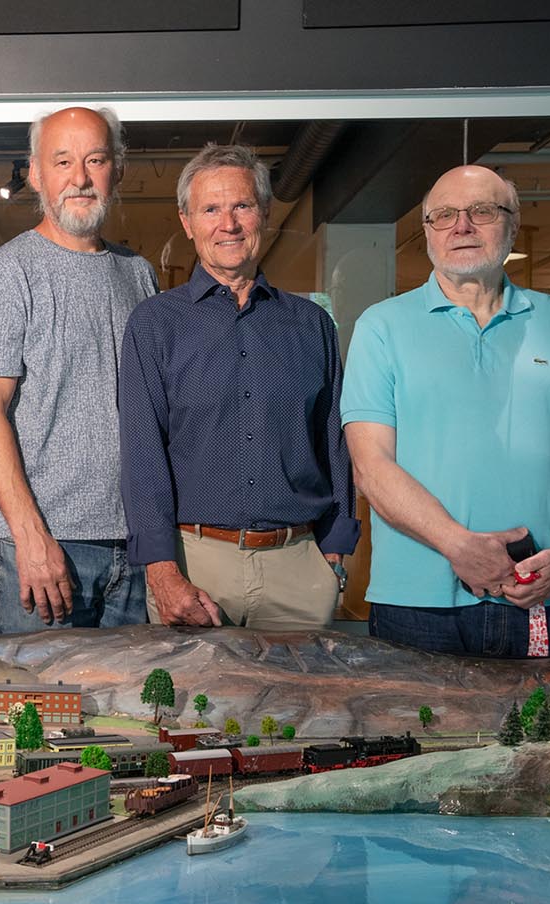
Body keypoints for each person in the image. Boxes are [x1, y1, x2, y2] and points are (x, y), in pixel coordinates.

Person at [343, 165, 550, 657]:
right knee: (416, 736)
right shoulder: (382, 327)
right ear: (427, 231)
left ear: (512, 224)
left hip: (544, 593)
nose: (461, 226)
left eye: (481, 211)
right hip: (417, 603)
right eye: (443, 215)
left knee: (547, 735)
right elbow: (371, 467)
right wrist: (458, 546)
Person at [120, 143, 357, 630]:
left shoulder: (312, 325)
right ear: (187, 222)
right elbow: (143, 456)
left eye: (241, 206)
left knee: (298, 707)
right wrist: (163, 573)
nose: (227, 224)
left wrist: (334, 552)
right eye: (210, 209)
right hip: (194, 569)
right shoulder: (153, 325)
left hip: (299, 568)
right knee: (189, 708)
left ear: (265, 214)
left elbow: (336, 442)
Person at [0, 106, 158, 633]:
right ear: (35, 172)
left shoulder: (138, 274)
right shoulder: (5, 275)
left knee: (133, 715)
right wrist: (30, 537)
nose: (80, 178)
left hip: (135, 550)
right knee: (36, 712)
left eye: (95, 160)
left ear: (116, 169)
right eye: (63, 161)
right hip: (46, 550)